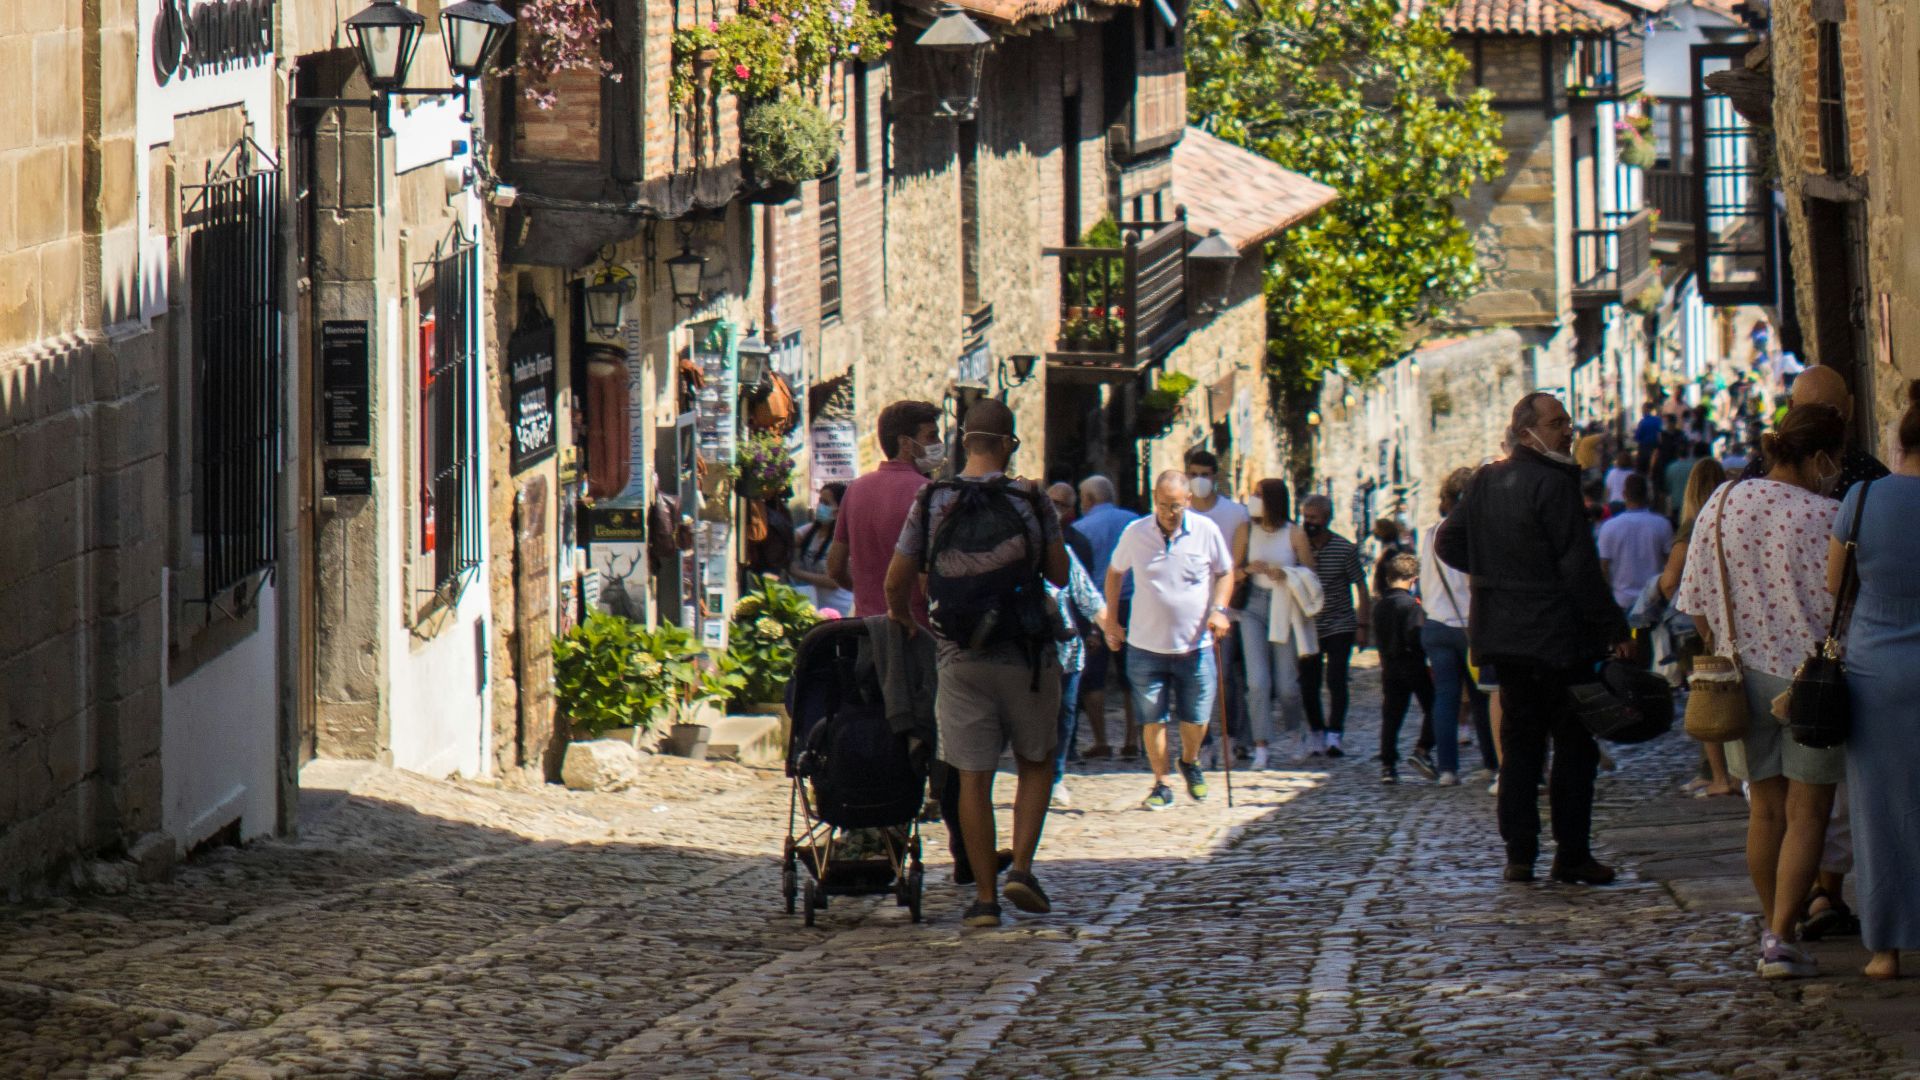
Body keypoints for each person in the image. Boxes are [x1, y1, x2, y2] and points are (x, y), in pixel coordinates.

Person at [1676, 404, 1848, 978]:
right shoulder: (1828, 514)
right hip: (1810, 686)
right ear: (1821, 457)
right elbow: (1845, 605)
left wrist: (1727, 643)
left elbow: (1694, 600)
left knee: (1765, 813)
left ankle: (1774, 931)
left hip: (1741, 680)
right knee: (1808, 815)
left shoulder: (1721, 504)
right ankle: (1780, 935)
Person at [886, 399, 1068, 928]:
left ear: (965, 440)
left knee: (972, 777)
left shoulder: (933, 497)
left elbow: (896, 579)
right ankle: (1024, 868)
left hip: (959, 653)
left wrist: (903, 618)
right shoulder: (1030, 497)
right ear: (1009, 443)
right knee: (1036, 762)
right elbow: (1057, 574)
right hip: (1026, 653)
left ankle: (985, 899)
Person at [1438, 392, 1632, 886]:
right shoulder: (1552, 483)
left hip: (1506, 637)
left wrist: (1496, 576)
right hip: (1557, 639)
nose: (1568, 430)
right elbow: (1578, 567)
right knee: (1572, 748)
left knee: (1521, 750)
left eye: (1568, 421)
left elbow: (1450, 541)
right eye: (1556, 422)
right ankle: (1570, 854)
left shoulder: (1487, 480)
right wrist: (1612, 628)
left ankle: (1520, 855)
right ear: (1528, 433)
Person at [1830, 381, 1920, 980]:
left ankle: (1885, 947)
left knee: (1878, 811)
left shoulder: (1860, 499)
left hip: (1873, 670)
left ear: (1898, 441)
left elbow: (1835, 586)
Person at [1100, 471, 1234, 811]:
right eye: (1162, 505)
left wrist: (1219, 610)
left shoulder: (1206, 531)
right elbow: (1115, 573)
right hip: (1146, 645)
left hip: (1196, 644)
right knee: (1152, 718)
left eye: (1175, 505)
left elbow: (1225, 572)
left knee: (1197, 717)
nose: (1168, 512)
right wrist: (1112, 620)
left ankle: (1190, 761)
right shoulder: (1136, 533)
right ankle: (1161, 782)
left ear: (1188, 501)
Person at [1657, 457, 1736, 799]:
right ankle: (1725, 772)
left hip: (1700, 626)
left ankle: (1718, 775)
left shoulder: (1690, 528)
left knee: (1708, 700)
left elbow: (1671, 581)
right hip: (1735, 622)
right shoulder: (1730, 519)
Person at [829, 400, 942, 619]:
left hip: (866, 625)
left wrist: (866, 595)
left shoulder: (855, 489)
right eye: (931, 436)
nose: (938, 443)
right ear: (905, 443)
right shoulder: (928, 493)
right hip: (917, 629)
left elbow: (834, 567)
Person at [1233, 478, 1317, 768]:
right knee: (1256, 682)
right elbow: (1231, 573)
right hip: (1253, 607)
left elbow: (1310, 575)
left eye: (1258, 495)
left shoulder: (1294, 534)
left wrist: (1287, 574)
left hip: (1284, 605)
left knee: (1286, 685)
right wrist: (1247, 570)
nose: (1253, 499)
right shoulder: (1245, 530)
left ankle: (1296, 733)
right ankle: (1261, 745)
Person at [1421, 468, 1493, 788]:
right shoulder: (1476, 535)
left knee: (1445, 696)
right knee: (1482, 697)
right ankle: (1493, 761)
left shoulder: (1430, 534)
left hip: (1436, 622)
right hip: (1468, 625)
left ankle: (1448, 768)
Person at [1185, 450, 1252, 761]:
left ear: (1215, 477)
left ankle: (1230, 734)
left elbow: (1236, 565)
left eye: (1205, 474)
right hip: (1186, 608)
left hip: (1222, 605)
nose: (1199, 480)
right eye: (1193, 473)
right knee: (1194, 676)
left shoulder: (1235, 514)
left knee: (1224, 676)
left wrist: (1222, 603)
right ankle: (1204, 737)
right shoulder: (1180, 512)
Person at [1069, 475, 1139, 759]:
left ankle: (1101, 740)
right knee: (1131, 675)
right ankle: (1132, 740)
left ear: (1088, 500)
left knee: (1093, 677)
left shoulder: (1080, 529)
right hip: (1134, 603)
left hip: (1097, 608)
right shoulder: (1135, 523)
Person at [1299, 494, 1369, 758]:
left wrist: (1363, 624)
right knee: (1309, 682)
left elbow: (1360, 585)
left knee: (1336, 679)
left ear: (1326, 519)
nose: (1309, 523)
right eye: (1306, 518)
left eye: (1314, 518)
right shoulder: (1300, 547)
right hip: (1309, 625)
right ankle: (1316, 731)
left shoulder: (1343, 549)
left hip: (1340, 623)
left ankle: (1334, 733)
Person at [1046, 546, 1106, 809]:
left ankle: (1054, 777)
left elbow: (1089, 599)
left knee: (1062, 715)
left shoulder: (1061, 552)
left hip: (1065, 652)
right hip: (1019, 655)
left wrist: (1112, 631)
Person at [1373, 553, 1435, 784]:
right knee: (1434, 707)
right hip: (1412, 664)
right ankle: (1423, 747)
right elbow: (1415, 635)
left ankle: (1388, 765)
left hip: (1389, 666)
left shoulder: (1379, 606)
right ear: (1413, 579)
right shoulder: (1411, 605)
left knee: (1391, 716)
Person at [1597, 473, 1674, 613]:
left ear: (1624, 494)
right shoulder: (1662, 524)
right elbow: (1670, 564)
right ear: (1647, 494)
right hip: (1653, 599)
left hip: (1621, 600)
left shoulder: (1609, 527)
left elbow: (1603, 568)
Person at [790, 482, 854, 614]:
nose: (820, 507)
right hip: (816, 607)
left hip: (840, 609)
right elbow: (789, 540)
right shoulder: (811, 531)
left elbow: (834, 581)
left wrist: (798, 573)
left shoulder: (845, 538)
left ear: (838, 511)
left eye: (826, 503)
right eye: (820, 501)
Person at [1664, 441, 1708, 524]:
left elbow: (1667, 487)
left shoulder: (1670, 467)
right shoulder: (1694, 466)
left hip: (1675, 503)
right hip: (1690, 504)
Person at [1633, 401, 1664, 476]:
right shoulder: (1659, 420)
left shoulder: (1643, 422)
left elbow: (1637, 437)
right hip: (1656, 448)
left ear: (1647, 410)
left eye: (1643, 409)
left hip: (1644, 448)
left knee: (1642, 471)